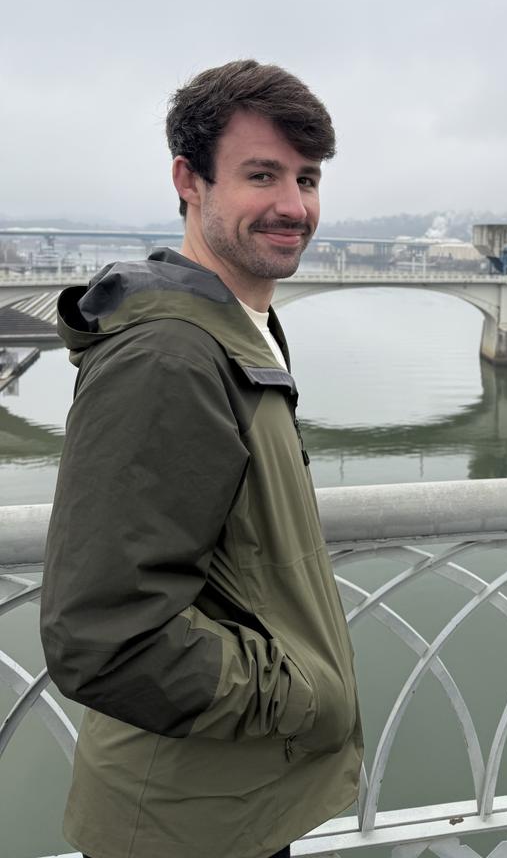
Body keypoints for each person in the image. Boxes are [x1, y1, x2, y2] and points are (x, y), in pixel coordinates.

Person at [40, 60, 363, 858]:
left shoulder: (235, 329)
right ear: (190, 180)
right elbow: (104, 636)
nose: (295, 206)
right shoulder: (169, 357)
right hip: (183, 823)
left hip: (227, 802)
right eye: (262, 175)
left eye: (308, 178)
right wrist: (302, 694)